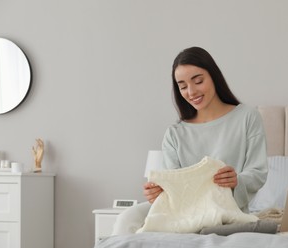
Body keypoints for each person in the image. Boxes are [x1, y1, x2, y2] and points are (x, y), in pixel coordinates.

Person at [113, 46, 268, 235]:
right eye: (183, 86)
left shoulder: (247, 117)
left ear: (213, 76)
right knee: (126, 218)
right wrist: (158, 194)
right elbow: (174, 187)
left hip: (225, 209)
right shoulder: (175, 133)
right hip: (182, 212)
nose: (191, 91)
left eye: (198, 81)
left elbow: (258, 172)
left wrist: (237, 181)